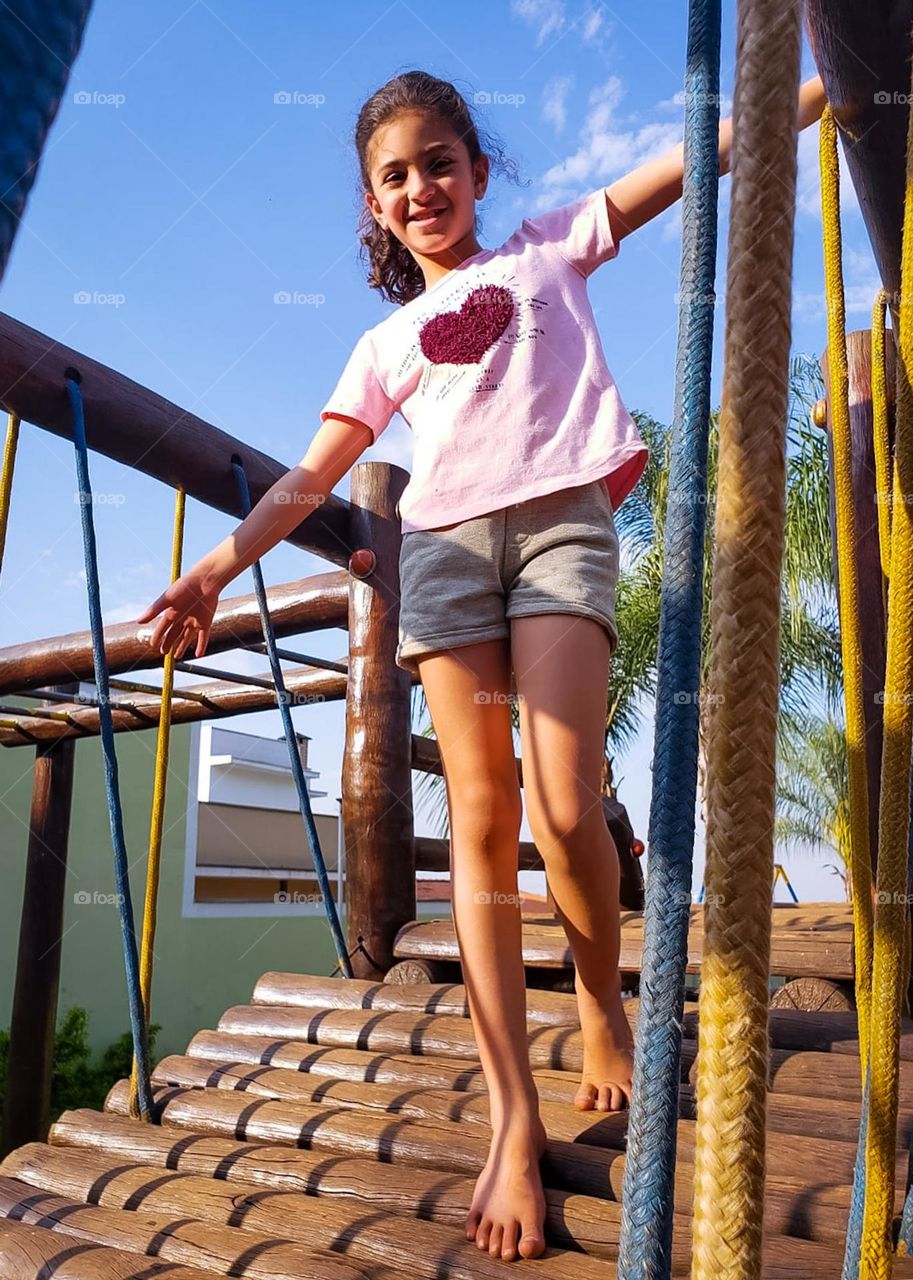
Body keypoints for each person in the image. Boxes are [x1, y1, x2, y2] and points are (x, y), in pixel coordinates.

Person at [138, 68, 828, 1263]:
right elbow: (312, 475)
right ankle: (512, 1116)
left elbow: (680, 168)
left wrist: (804, 90)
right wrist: (218, 564)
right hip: (447, 550)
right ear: (373, 204)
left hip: (560, 526)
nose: (421, 187)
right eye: (394, 176)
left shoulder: (545, 247)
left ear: (478, 168)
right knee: (478, 818)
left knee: (566, 809)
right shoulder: (385, 339)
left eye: (439, 161)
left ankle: (604, 998)